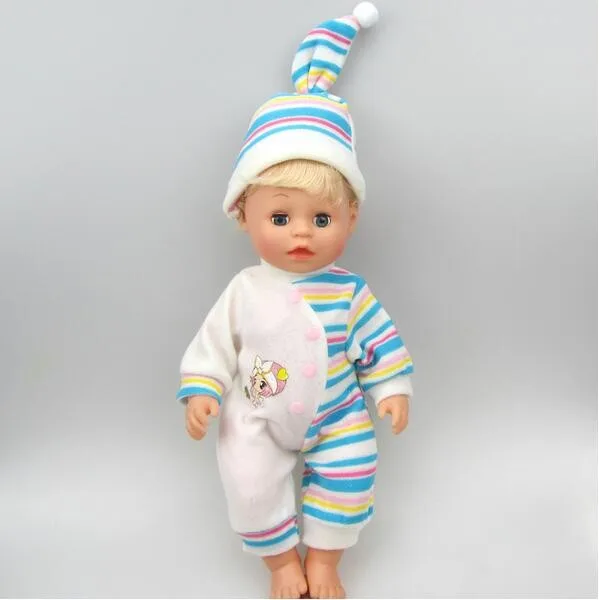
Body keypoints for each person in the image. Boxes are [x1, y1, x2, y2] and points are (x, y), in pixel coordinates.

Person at [177, 4, 414, 598]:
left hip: (338, 413)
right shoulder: (244, 290)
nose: (301, 233)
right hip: (259, 412)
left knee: (352, 471)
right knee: (248, 476)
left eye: (322, 218)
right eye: (280, 217)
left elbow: (380, 343)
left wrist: (390, 387)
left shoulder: (351, 292)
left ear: (351, 218)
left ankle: (326, 561)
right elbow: (214, 345)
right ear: (243, 216)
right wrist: (204, 389)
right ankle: (282, 564)